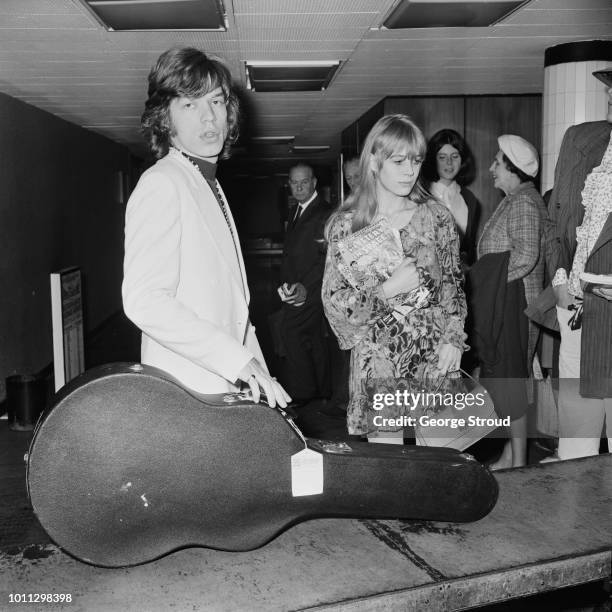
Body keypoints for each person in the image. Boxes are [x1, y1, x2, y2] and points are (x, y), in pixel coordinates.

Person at [122, 46, 290, 407]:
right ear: (165, 118)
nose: (209, 118)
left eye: (216, 102)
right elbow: (144, 301)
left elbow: (232, 308)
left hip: (220, 388)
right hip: (187, 392)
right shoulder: (162, 183)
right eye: (190, 105)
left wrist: (258, 370)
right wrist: (241, 363)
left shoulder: (207, 182)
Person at [322, 114, 467, 444]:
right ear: (374, 160)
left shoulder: (437, 217)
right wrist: (388, 291)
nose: (410, 171)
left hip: (434, 354)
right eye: (399, 161)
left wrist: (454, 337)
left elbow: (453, 286)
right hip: (380, 359)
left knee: (442, 471)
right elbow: (335, 304)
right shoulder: (348, 226)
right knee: (393, 479)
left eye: (416, 161)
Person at [534, 81, 612, 460]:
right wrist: (561, 283)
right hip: (578, 309)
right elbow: (554, 222)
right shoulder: (581, 139)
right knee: (575, 445)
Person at [477, 134, 546, 468]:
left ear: (513, 168)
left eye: (496, 163)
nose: (491, 168)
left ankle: (519, 461)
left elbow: (526, 255)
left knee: (511, 384)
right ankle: (510, 453)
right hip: (505, 302)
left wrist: (484, 280)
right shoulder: (514, 198)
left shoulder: (522, 201)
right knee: (506, 383)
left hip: (512, 306)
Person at [277, 163, 332, 403]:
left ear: (314, 182)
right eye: (293, 182)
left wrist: (304, 289)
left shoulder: (325, 213)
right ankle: (318, 394)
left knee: (289, 332)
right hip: (297, 288)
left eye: (304, 182)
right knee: (314, 343)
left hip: (313, 289)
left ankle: (303, 394)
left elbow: (326, 259)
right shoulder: (296, 210)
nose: (298, 187)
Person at [422, 129, 481, 266]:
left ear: (463, 160)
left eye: (455, 156)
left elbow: (468, 249)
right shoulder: (421, 197)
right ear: (432, 160)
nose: (449, 163)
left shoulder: (470, 200)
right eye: (442, 157)